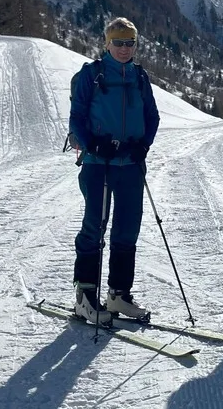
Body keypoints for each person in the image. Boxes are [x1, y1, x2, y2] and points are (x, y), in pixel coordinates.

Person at [67, 17, 160, 322]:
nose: (124, 48)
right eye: (118, 43)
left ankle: (118, 296)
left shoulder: (140, 77)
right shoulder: (91, 75)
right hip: (98, 163)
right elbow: (77, 118)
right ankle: (85, 297)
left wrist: (143, 145)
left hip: (131, 164)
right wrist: (92, 145)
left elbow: (152, 116)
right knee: (95, 225)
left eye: (129, 43)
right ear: (106, 43)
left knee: (127, 228)